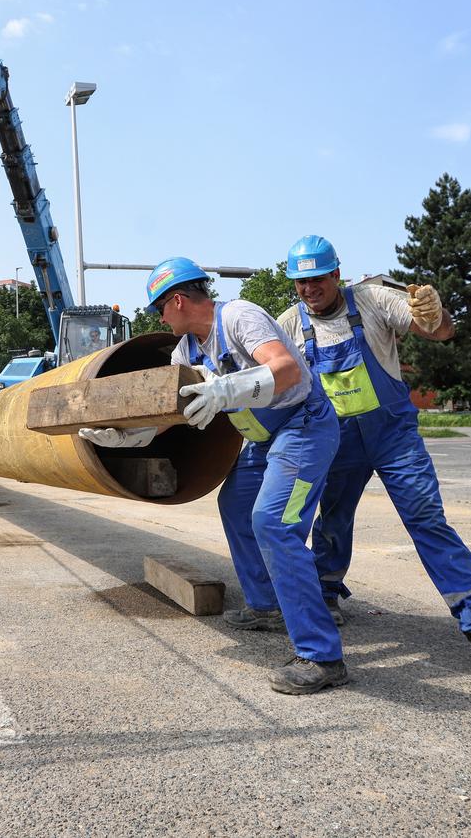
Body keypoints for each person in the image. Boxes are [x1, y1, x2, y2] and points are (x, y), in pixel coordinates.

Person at [81, 258, 348, 695]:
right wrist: (130, 437)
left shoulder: (239, 315)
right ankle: (265, 606)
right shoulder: (184, 352)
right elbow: (175, 413)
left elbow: (287, 369)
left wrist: (226, 388)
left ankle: (322, 656)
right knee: (236, 504)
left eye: (158, 309)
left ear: (178, 300)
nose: (159, 318)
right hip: (265, 439)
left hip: (305, 426)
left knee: (275, 523)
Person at [276, 235, 471, 672]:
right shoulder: (287, 324)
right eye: (300, 282)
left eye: (317, 279)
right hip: (334, 440)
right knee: (333, 519)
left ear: (336, 274)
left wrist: (436, 314)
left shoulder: (374, 300)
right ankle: (325, 591)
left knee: (426, 517)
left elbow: (441, 332)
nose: (309, 289)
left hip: (393, 436)